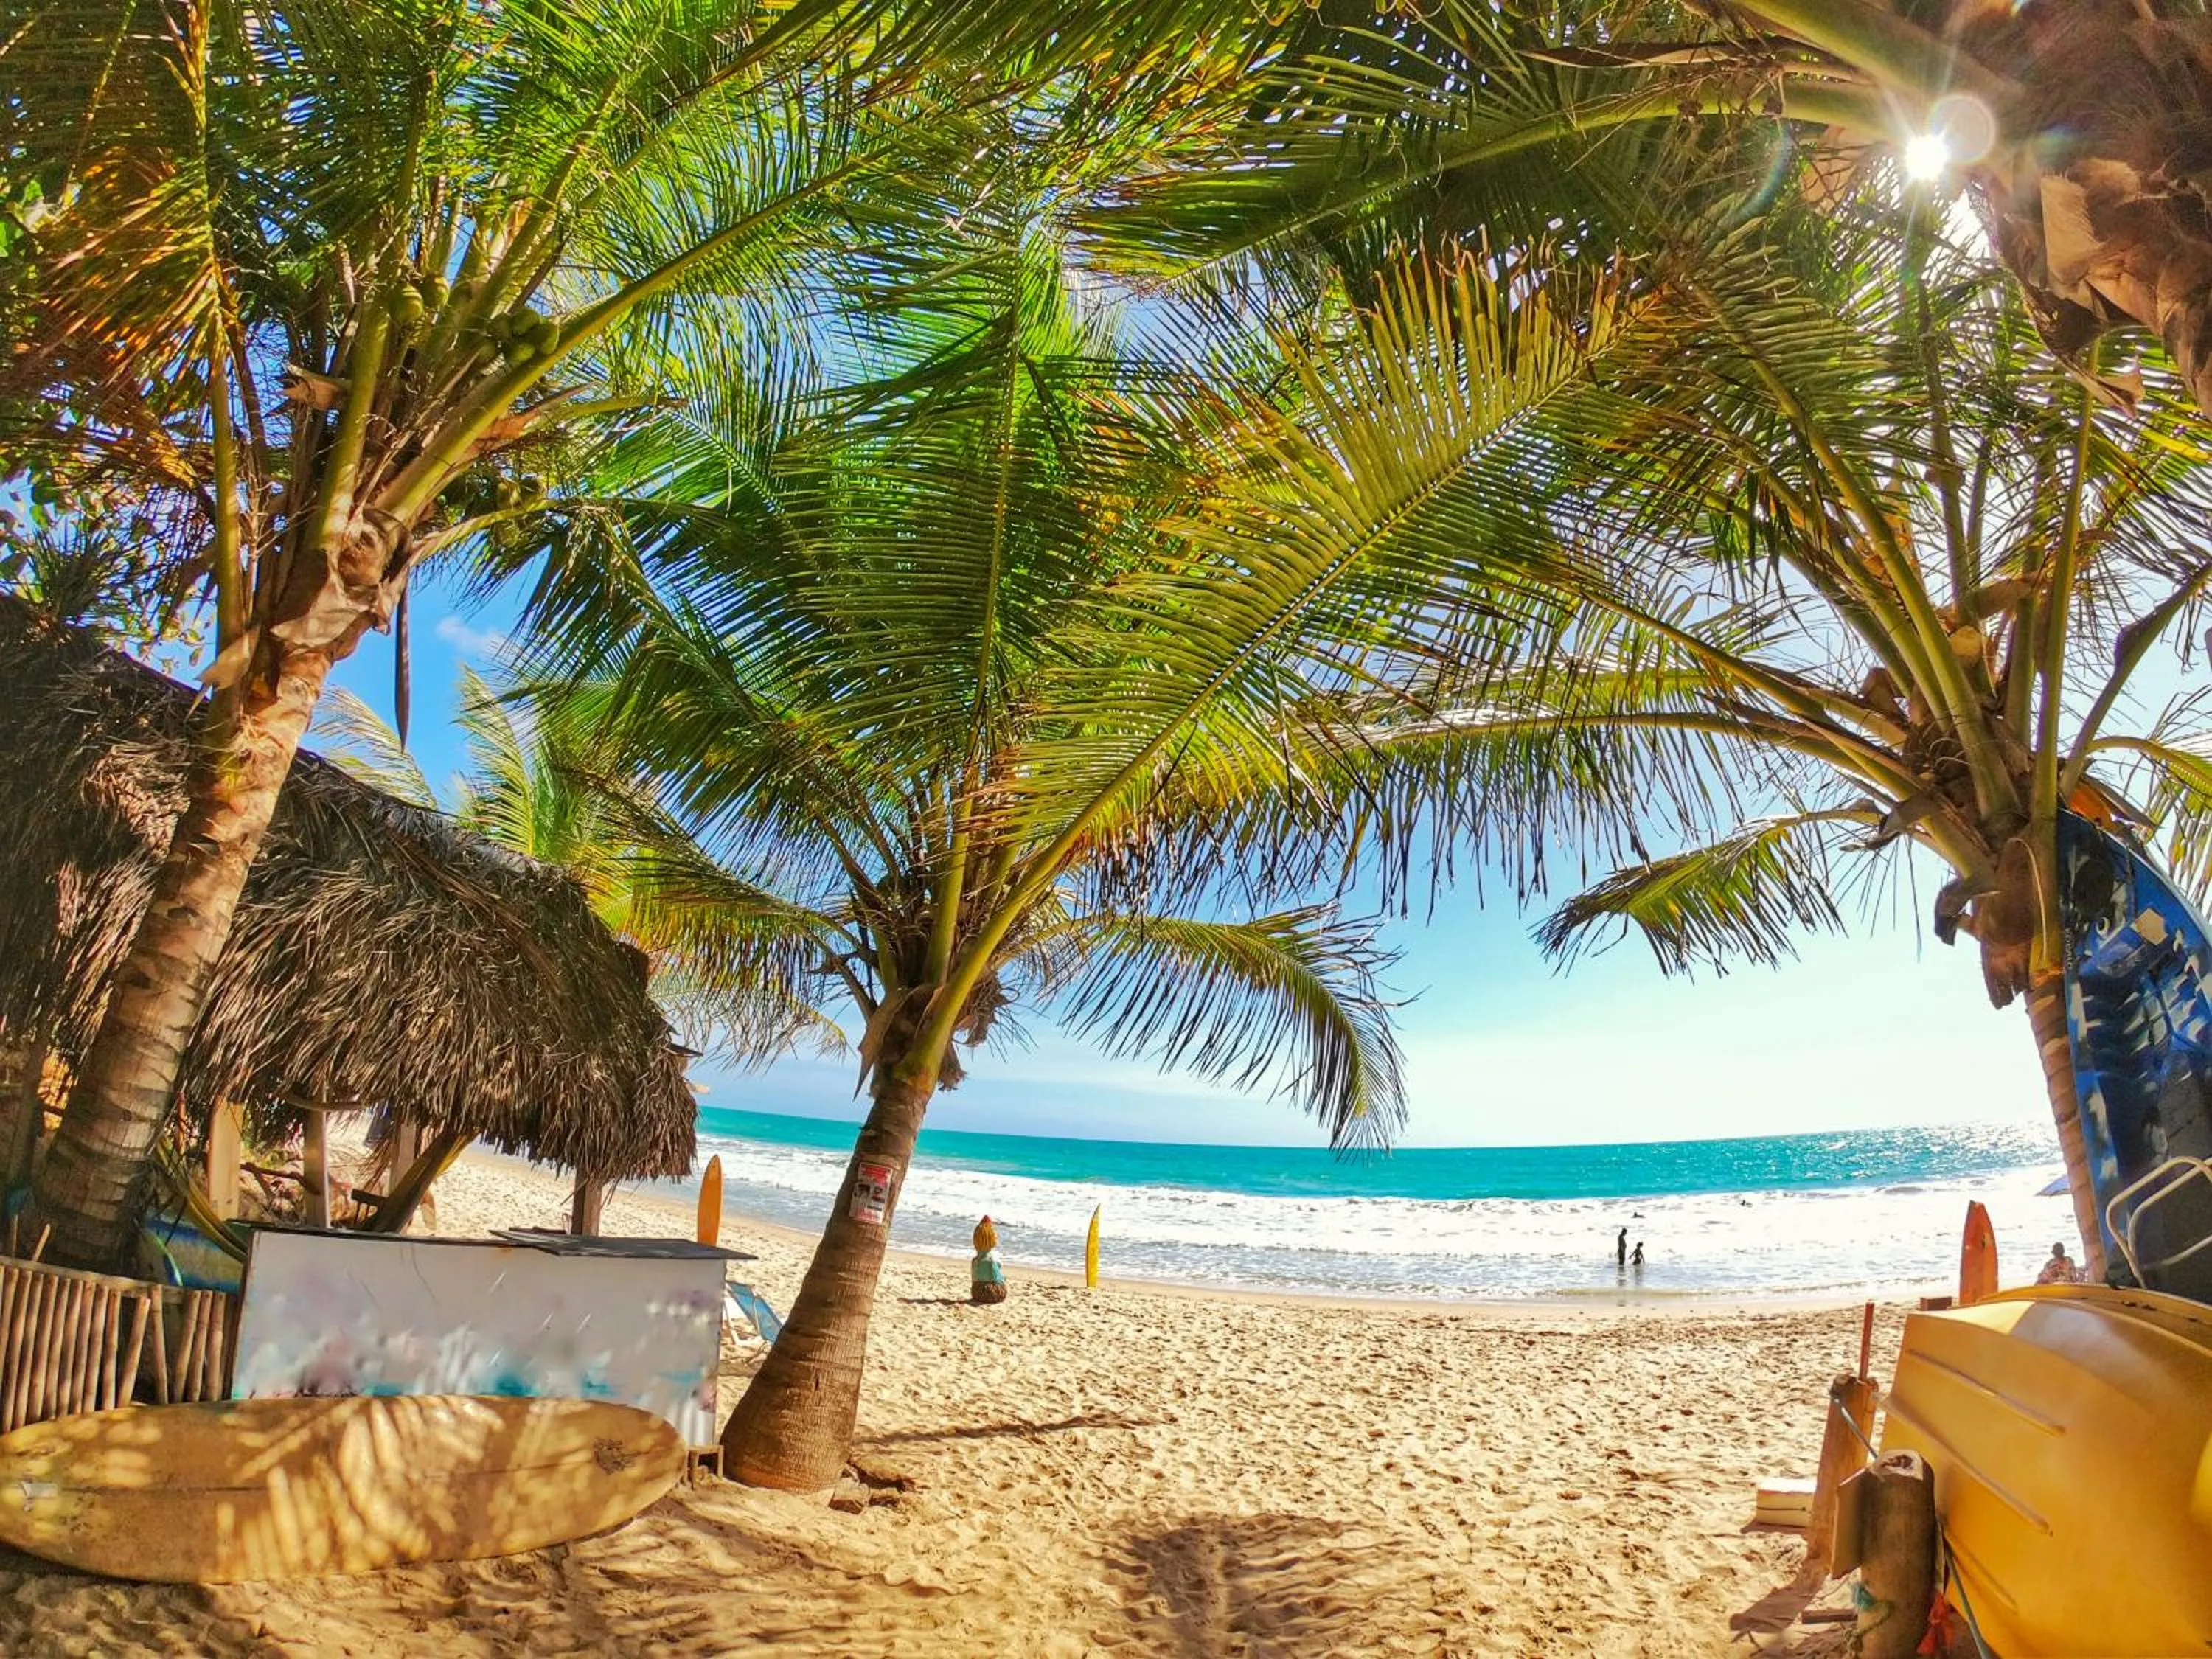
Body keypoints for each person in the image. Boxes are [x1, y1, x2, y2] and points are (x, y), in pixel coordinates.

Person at [970, 1215, 1008, 1305]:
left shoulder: (975, 1261)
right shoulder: (993, 1261)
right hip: (993, 1294)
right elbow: (997, 1278)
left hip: (978, 1293)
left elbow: (974, 1279)